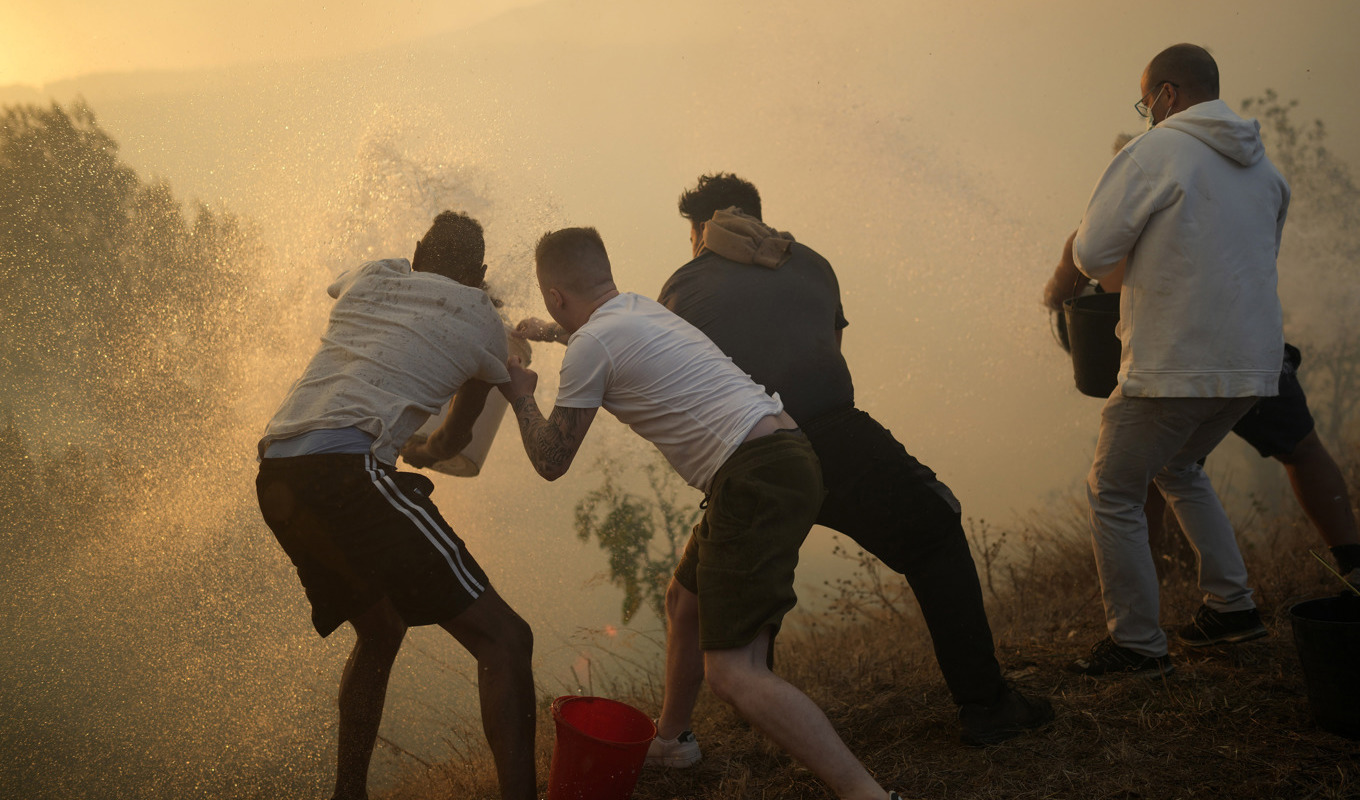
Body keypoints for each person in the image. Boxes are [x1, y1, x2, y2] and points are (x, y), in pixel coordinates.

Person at [501, 226, 904, 800]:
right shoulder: (635, 309)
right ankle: (672, 739)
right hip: (781, 455)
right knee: (683, 600)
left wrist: (519, 393)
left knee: (733, 673)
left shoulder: (592, 345)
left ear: (555, 296)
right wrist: (548, 332)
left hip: (754, 477)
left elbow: (550, 460)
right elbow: (596, 341)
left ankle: (868, 794)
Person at [255, 211, 536, 800]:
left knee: (381, 628)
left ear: (415, 252)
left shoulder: (373, 274)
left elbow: (361, 295)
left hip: (278, 470)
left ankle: (348, 795)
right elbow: (453, 439)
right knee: (507, 640)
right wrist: (423, 452)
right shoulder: (484, 321)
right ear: (481, 274)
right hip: (346, 473)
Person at [1059, 44, 1290, 677]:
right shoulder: (1265, 170)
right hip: (1252, 364)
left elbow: (1093, 254)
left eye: (1147, 103)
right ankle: (1232, 609)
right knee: (1180, 466)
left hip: (1173, 363)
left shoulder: (1155, 151)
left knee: (1112, 489)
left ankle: (1137, 643)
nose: (1148, 115)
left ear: (1167, 94)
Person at [1046, 234, 1360, 597]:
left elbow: (1059, 297)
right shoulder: (1223, 208)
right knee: (1302, 449)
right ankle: (1353, 565)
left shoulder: (1105, 226)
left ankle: (1145, 594)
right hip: (1247, 345)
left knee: (1142, 477)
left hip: (1174, 363)